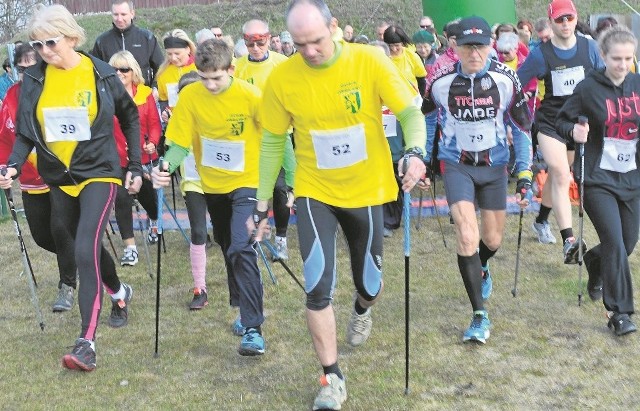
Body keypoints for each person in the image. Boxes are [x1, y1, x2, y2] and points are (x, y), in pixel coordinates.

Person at [250, 1, 426, 409]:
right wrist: (262, 203)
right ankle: (331, 376)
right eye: (299, 44)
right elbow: (274, 142)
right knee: (317, 286)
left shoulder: (369, 61)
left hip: (366, 190)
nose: (309, 51)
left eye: (316, 41)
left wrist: (415, 151)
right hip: (315, 191)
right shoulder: (282, 78)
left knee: (370, 283)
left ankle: (362, 308)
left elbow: (409, 113)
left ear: (334, 27)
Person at [1, 4, 142, 371]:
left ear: (72, 37)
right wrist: (13, 165)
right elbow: (27, 132)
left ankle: (86, 343)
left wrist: (136, 165)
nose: (44, 51)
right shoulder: (34, 80)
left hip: (99, 172)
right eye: (37, 45)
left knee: (83, 247)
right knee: (83, 246)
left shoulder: (100, 73)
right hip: (59, 177)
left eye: (51, 42)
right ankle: (120, 293)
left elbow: (129, 116)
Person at [422, 16, 533, 344]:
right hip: (456, 165)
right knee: (467, 236)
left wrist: (524, 171)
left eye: (481, 46)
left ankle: (482, 266)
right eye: (468, 46)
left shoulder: (506, 78)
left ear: (490, 46)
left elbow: (521, 128)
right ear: (455, 46)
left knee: (492, 240)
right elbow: (428, 119)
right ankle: (479, 314)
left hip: (495, 166)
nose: (474, 53)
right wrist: (422, 157)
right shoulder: (441, 80)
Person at [152, 38, 266, 355]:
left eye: (216, 77)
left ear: (231, 69)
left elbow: (275, 138)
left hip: (249, 183)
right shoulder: (190, 97)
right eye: (204, 78)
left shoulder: (250, 95)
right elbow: (178, 144)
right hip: (213, 185)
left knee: (242, 247)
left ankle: (254, 328)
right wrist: (166, 165)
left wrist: (290, 182)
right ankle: (245, 307)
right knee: (230, 247)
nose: (210, 84)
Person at [555, 26, 640, 336]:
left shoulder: (637, 84)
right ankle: (619, 312)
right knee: (616, 244)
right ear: (603, 56)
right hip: (597, 179)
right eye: (616, 58)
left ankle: (593, 260)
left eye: (628, 58)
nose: (622, 64)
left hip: (632, 178)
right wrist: (573, 132)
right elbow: (561, 120)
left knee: (627, 242)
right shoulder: (588, 88)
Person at [517, 0, 604, 258]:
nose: (565, 24)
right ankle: (570, 241)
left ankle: (541, 219)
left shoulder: (589, 47)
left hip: (579, 123)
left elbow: (602, 81)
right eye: (559, 20)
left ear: (576, 18)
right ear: (551, 21)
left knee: (560, 178)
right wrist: (516, 117)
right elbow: (515, 83)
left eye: (569, 18)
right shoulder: (540, 54)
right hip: (551, 122)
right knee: (559, 172)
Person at [0, 44, 78, 312]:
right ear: (14, 70)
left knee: (61, 230)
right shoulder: (11, 96)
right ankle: (82, 257)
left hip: (59, 176)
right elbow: (5, 138)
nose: (27, 74)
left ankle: (67, 285)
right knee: (42, 237)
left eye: (33, 68)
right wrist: (5, 167)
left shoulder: (55, 90)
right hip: (30, 179)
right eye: (21, 69)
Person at [235, 19, 295, 259]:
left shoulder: (283, 64)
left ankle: (281, 238)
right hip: (251, 140)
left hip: (280, 136)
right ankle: (257, 234)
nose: (256, 48)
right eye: (250, 44)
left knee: (281, 189)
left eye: (260, 43)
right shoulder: (238, 67)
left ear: (269, 40)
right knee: (254, 190)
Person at [109, 51, 161, 266]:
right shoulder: (106, 95)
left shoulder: (145, 94)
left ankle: (154, 220)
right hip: (117, 158)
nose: (119, 73)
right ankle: (130, 247)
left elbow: (155, 124)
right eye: (114, 70)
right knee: (121, 200)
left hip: (144, 154)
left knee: (147, 196)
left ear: (133, 72)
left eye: (124, 69)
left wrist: (154, 142)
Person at [91, 0, 164, 87]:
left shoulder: (147, 38)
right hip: (114, 96)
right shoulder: (102, 41)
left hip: (143, 94)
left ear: (132, 14)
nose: (119, 19)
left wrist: (155, 87)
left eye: (123, 14)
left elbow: (161, 67)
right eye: (115, 14)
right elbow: (95, 72)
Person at [156, 29, 197, 124]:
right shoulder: (163, 73)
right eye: (169, 54)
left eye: (177, 53)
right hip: (175, 125)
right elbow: (164, 101)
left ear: (188, 49)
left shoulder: (200, 67)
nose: (173, 58)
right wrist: (165, 112)